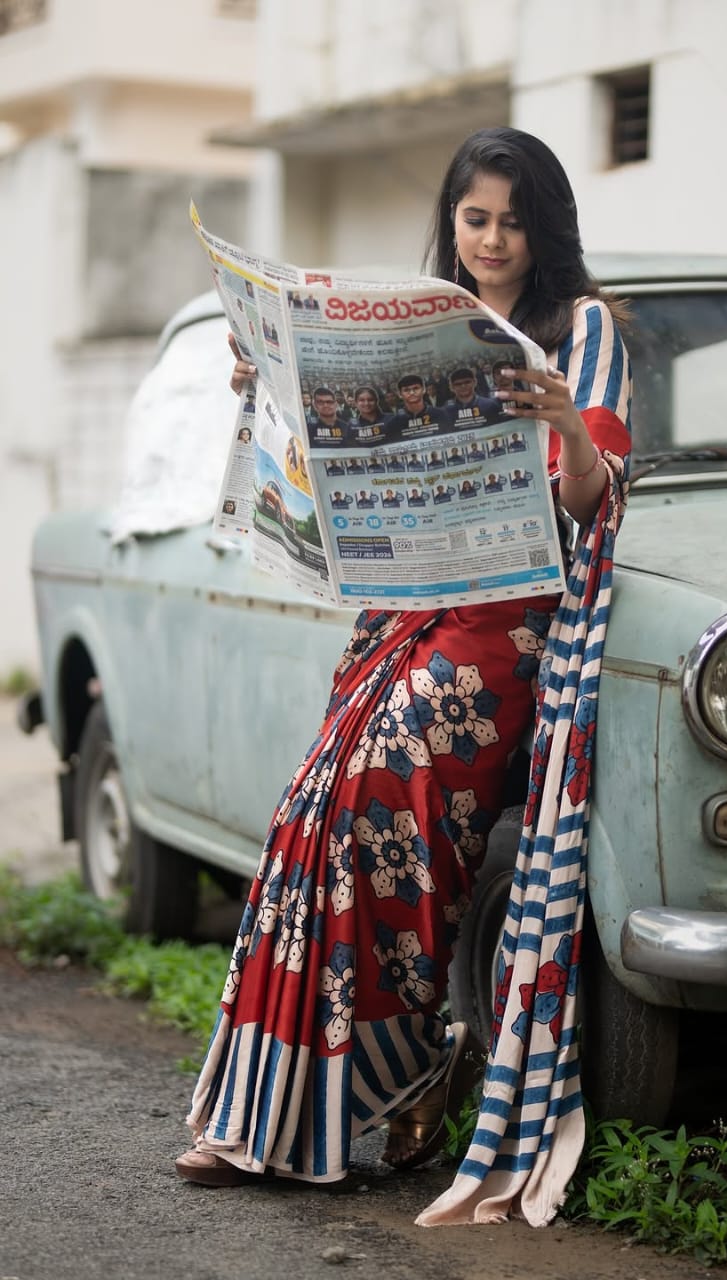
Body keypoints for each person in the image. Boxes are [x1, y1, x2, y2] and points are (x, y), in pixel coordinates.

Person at [177, 127, 632, 1232]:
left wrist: (567, 422)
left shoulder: (585, 328)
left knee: (391, 803)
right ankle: (277, 1118)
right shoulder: (430, 314)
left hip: (503, 631)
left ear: (547, 225)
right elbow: (349, 477)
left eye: (512, 220)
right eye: (475, 217)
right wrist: (274, 386)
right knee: (311, 816)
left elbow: (590, 498)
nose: (491, 240)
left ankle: (396, 1071)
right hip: (405, 612)